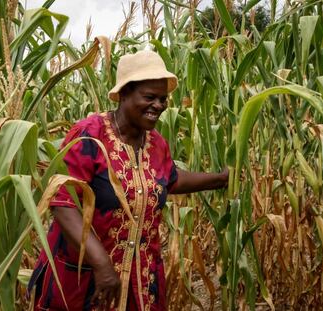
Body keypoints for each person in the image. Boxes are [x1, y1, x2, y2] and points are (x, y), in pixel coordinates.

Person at [28, 50, 228, 311]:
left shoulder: (156, 143)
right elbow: (61, 201)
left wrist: (220, 179)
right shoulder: (90, 134)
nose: (158, 105)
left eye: (163, 98)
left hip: (141, 281)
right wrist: (101, 263)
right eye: (149, 97)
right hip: (86, 279)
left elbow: (170, 181)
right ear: (124, 94)